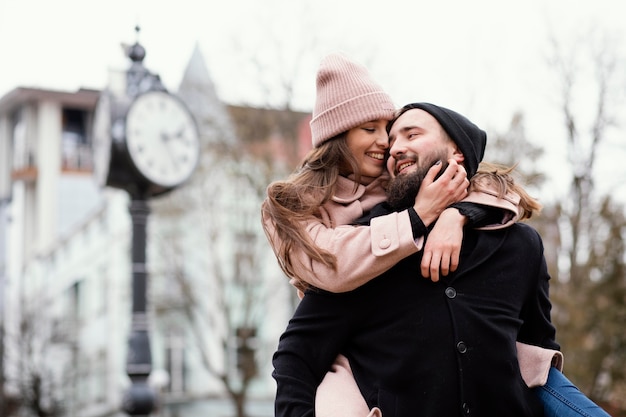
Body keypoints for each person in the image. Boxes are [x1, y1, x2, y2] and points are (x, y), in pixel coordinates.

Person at [271, 101, 611, 416]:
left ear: (458, 153)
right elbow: (297, 357)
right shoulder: (373, 246)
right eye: (392, 142)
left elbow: (537, 347)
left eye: (412, 134)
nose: (395, 147)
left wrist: (458, 214)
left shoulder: (520, 245)